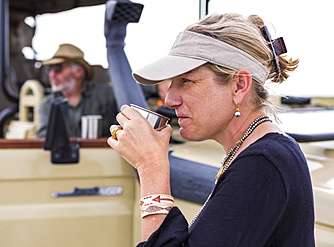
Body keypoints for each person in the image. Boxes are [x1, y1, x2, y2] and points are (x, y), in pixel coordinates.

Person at [107, 13, 315, 246]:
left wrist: (151, 167)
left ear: (239, 85)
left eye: (186, 81)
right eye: (171, 83)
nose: (170, 100)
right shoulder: (265, 152)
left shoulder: (262, 163)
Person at [36, 44, 117, 138]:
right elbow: (43, 138)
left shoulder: (107, 95)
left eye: (58, 68)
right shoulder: (48, 104)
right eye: (49, 69)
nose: (52, 74)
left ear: (79, 72)